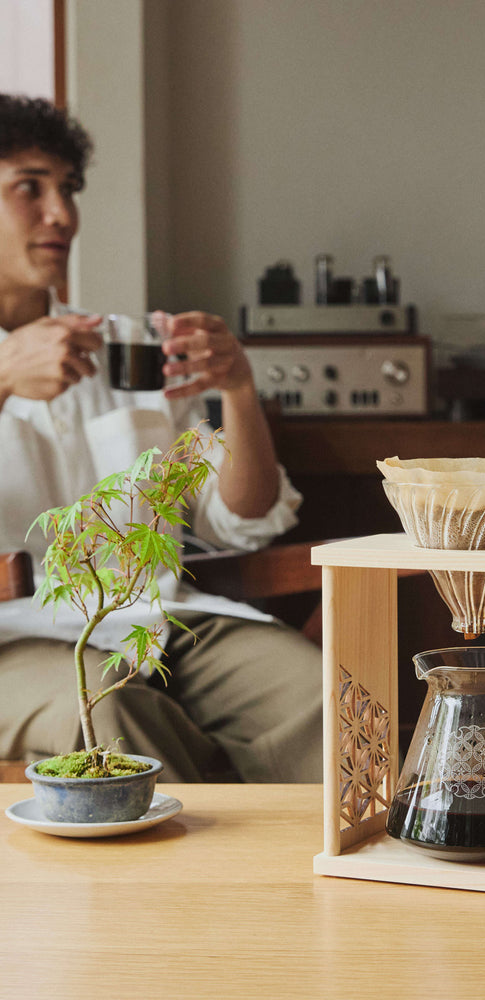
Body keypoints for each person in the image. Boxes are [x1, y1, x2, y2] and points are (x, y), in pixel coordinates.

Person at [0, 94, 323, 782]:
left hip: (166, 620)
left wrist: (237, 387)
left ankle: (360, 884)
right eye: (30, 187)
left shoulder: (129, 345)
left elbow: (241, 518)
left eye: (69, 189)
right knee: (106, 716)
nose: (62, 214)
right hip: (15, 640)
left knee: (323, 692)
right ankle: (214, 892)